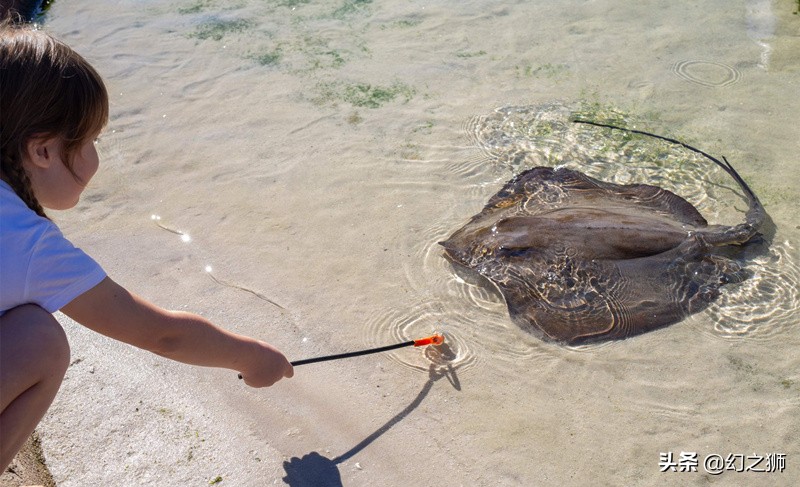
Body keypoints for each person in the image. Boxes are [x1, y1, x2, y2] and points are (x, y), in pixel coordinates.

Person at [0, 21, 294, 470]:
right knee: (40, 341)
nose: (96, 155)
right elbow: (161, 333)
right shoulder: (30, 245)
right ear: (41, 151)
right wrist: (254, 357)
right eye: (91, 140)